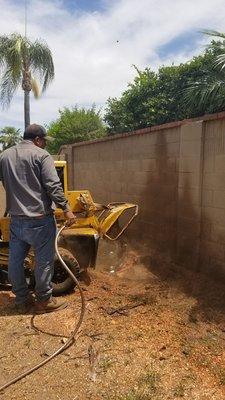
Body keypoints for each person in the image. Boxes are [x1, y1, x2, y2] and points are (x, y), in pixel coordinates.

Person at [0, 124, 76, 314]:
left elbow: (4, 180)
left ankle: (22, 300)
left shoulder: (5, 156)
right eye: (43, 141)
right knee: (44, 261)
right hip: (40, 220)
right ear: (38, 140)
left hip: (16, 219)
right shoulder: (42, 156)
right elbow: (53, 185)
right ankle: (44, 301)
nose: (44, 145)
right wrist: (66, 208)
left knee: (15, 262)